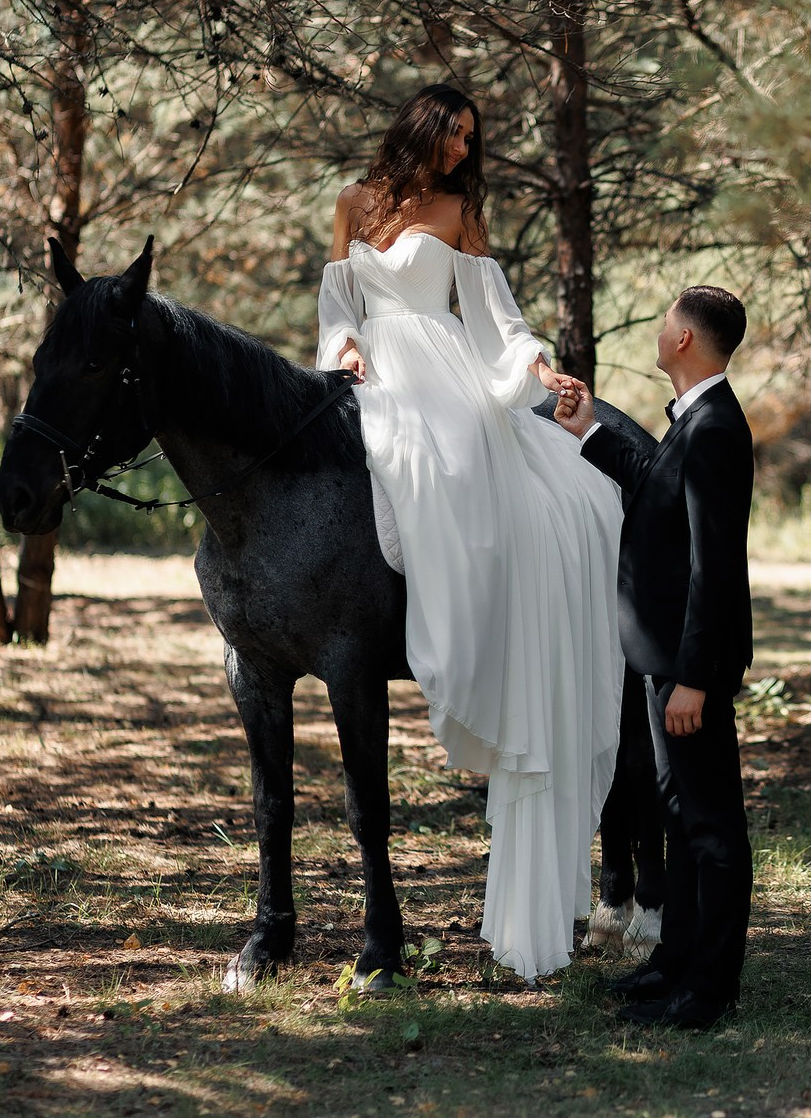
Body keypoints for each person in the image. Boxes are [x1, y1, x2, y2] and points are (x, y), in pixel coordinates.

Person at [314, 83, 625, 981]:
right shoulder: (353, 203)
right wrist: (345, 350)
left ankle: (462, 645)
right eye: (454, 135)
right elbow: (337, 304)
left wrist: (531, 363)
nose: (462, 151)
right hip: (373, 365)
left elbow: (494, 314)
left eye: (471, 141)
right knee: (367, 462)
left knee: (449, 472)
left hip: (445, 372)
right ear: (422, 125)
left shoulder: (460, 211)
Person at [553, 286, 754, 1031]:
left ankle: (708, 992)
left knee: (710, 827)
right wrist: (588, 432)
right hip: (662, 657)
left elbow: (714, 567)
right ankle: (674, 961)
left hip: (685, 666)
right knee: (677, 813)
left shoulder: (715, 430)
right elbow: (655, 495)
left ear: (683, 341)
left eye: (668, 320)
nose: (659, 327)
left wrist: (695, 678)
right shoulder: (693, 419)